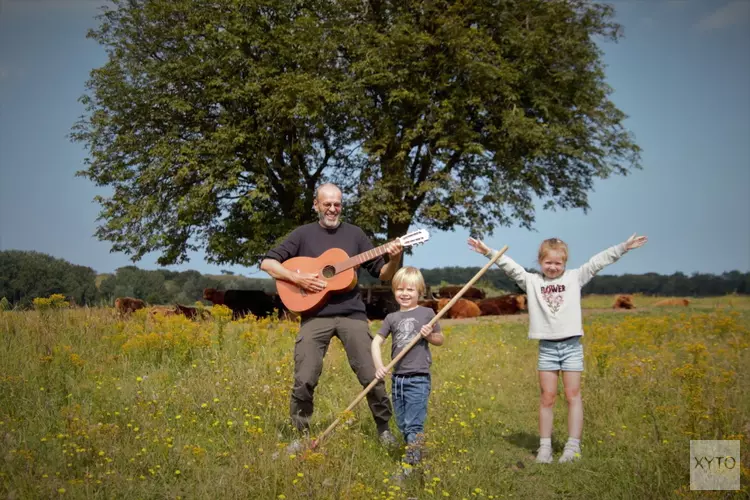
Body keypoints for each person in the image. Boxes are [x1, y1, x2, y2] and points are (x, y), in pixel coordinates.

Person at [468, 233, 648, 463]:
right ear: (540, 262)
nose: (553, 267)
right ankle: (545, 448)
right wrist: (488, 252)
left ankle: (572, 448)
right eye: (548, 263)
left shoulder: (575, 277)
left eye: (558, 263)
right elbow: (510, 267)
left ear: (565, 262)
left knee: (573, 395)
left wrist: (623, 247)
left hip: (572, 346)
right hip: (547, 348)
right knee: (547, 397)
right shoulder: (532, 282)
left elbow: (598, 261)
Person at [260, 183, 403, 448]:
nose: (333, 209)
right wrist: (297, 279)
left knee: (371, 374)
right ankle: (300, 435)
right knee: (304, 377)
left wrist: (394, 258)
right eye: (327, 204)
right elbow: (267, 263)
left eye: (337, 204)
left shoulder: (356, 235)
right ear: (316, 205)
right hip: (314, 315)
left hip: (352, 315)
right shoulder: (302, 235)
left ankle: (384, 429)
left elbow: (383, 274)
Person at [372, 266, 444, 467]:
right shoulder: (391, 318)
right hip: (398, 379)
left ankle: (411, 465)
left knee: (414, 425)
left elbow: (440, 339)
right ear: (394, 290)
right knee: (403, 424)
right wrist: (379, 366)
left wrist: (429, 335)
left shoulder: (427, 313)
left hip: (418, 378)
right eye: (400, 289)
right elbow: (376, 342)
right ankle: (416, 452)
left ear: (419, 291)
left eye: (410, 290)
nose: (404, 294)